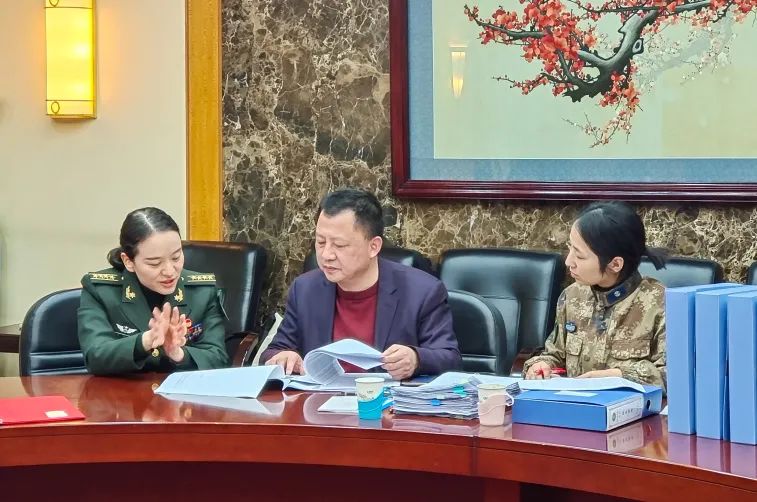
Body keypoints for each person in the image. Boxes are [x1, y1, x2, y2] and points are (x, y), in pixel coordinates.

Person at [261, 189, 461, 379]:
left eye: (339, 245)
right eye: (320, 242)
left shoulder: (422, 291)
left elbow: (450, 358)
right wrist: (283, 357)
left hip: (386, 401)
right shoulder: (305, 289)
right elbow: (275, 350)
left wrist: (416, 359)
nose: (326, 254)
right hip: (319, 400)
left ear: (373, 246)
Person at [523, 201, 667, 389]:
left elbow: (673, 376)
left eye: (579, 256)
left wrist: (618, 377)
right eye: (570, 248)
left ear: (615, 264)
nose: (568, 261)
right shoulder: (572, 296)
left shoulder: (660, 303)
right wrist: (542, 365)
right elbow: (555, 354)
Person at [78, 207, 229, 375]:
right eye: (155, 263)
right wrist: (146, 341)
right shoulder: (101, 290)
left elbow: (218, 359)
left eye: (176, 257)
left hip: (179, 391)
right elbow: (95, 356)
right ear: (128, 261)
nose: (170, 271)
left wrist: (178, 354)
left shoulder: (202, 291)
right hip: (121, 390)